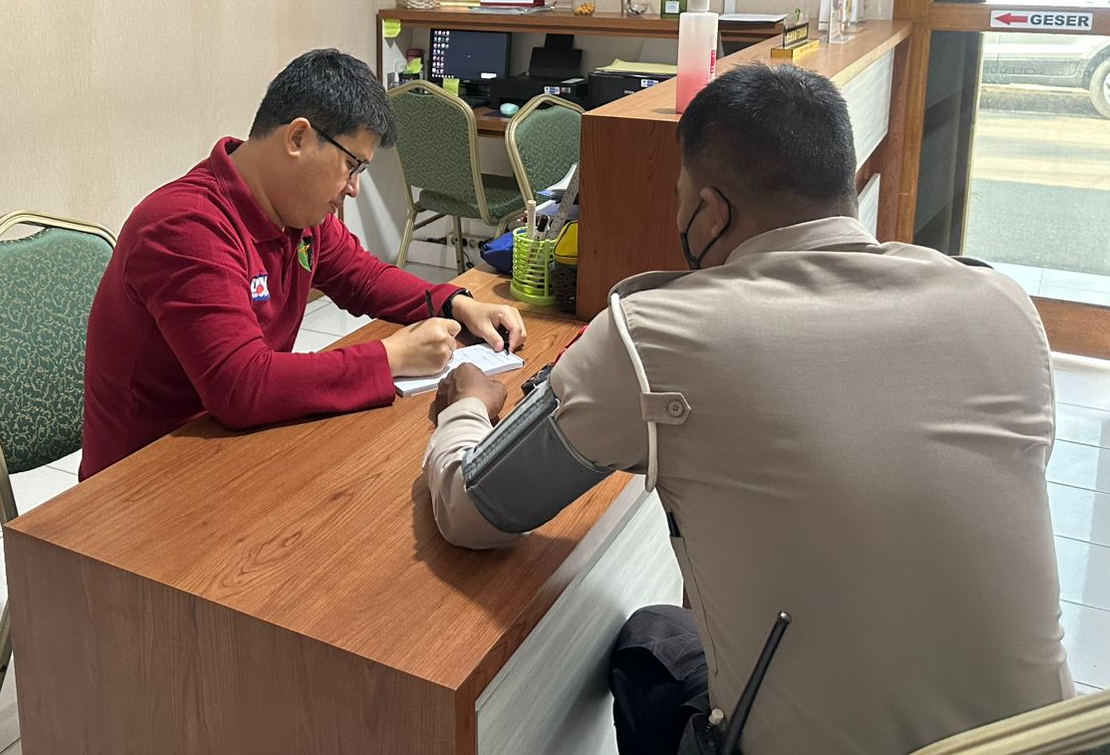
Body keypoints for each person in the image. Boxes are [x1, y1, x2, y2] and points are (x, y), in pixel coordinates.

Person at [423, 62, 1071, 755]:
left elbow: (471, 509)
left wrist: (468, 405)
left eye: (680, 198)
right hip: (1049, 742)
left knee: (652, 639)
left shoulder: (657, 333)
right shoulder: (1001, 305)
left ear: (712, 210)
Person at [80, 48, 525, 478]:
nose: (353, 189)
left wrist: (457, 303)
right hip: (143, 479)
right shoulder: (185, 226)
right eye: (352, 165)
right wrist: (390, 356)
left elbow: (364, 278)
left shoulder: (297, 215)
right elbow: (241, 386)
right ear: (298, 138)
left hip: (236, 448)